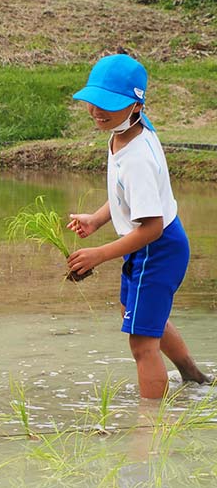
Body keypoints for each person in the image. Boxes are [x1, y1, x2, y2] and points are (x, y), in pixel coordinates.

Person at [66, 53, 210, 399]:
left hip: (156, 248)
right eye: (93, 102)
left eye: (109, 105)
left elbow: (151, 228)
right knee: (137, 316)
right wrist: (97, 219)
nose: (98, 111)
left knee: (142, 343)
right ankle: (194, 378)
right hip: (148, 245)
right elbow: (123, 195)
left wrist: (98, 254)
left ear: (136, 104)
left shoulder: (138, 157)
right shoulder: (124, 133)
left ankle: (150, 431)